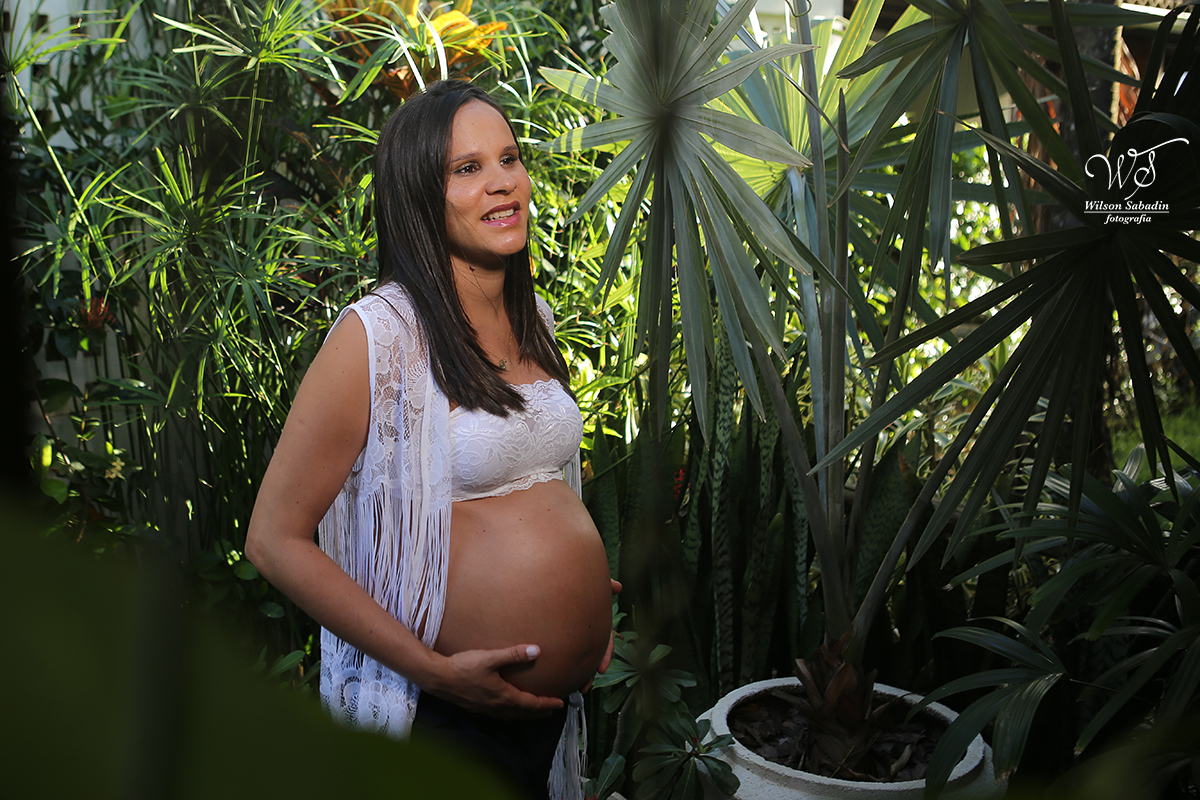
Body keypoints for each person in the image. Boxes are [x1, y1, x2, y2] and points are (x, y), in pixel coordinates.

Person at [245, 79, 618, 800]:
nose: (503, 182)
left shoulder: (531, 314)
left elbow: (532, 484)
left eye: (508, 158)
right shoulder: (376, 336)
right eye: (467, 168)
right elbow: (272, 538)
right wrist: (433, 669)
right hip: (443, 715)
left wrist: (577, 598)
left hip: (539, 713)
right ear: (420, 194)